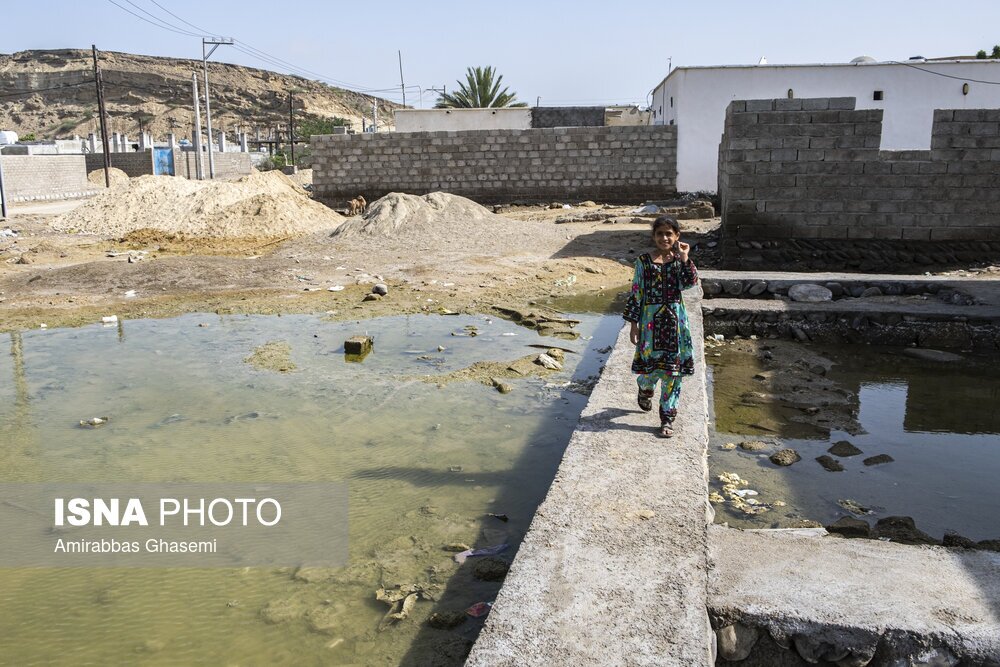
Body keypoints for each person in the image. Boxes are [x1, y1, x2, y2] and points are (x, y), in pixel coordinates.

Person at [622, 215, 698, 438]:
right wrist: (633, 325)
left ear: (677, 236)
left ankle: (667, 419)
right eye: (660, 233)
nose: (664, 237)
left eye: (669, 233)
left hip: (676, 325)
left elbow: (690, 284)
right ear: (653, 236)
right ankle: (644, 388)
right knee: (650, 370)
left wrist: (685, 259)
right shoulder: (643, 262)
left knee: (673, 374)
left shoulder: (679, 260)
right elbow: (636, 293)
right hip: (650, 325)